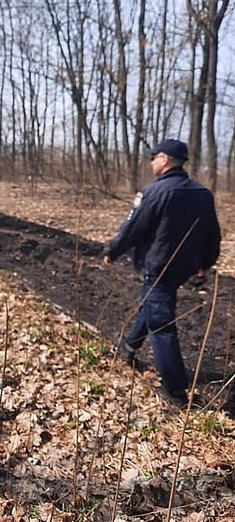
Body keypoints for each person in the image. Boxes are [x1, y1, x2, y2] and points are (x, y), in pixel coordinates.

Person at [103, 139, 221, 407]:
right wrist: (205, 262)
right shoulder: (203, 194)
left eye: (154, 158)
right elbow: (213, 234)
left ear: (165, 159)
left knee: (161, 323)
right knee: (152, 303)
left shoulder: (154, 192)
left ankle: (176, 390)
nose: (151, 162)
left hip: (159, 267)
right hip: (184, 267)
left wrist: (113, 251)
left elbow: (132, 229)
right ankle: (130, 347)